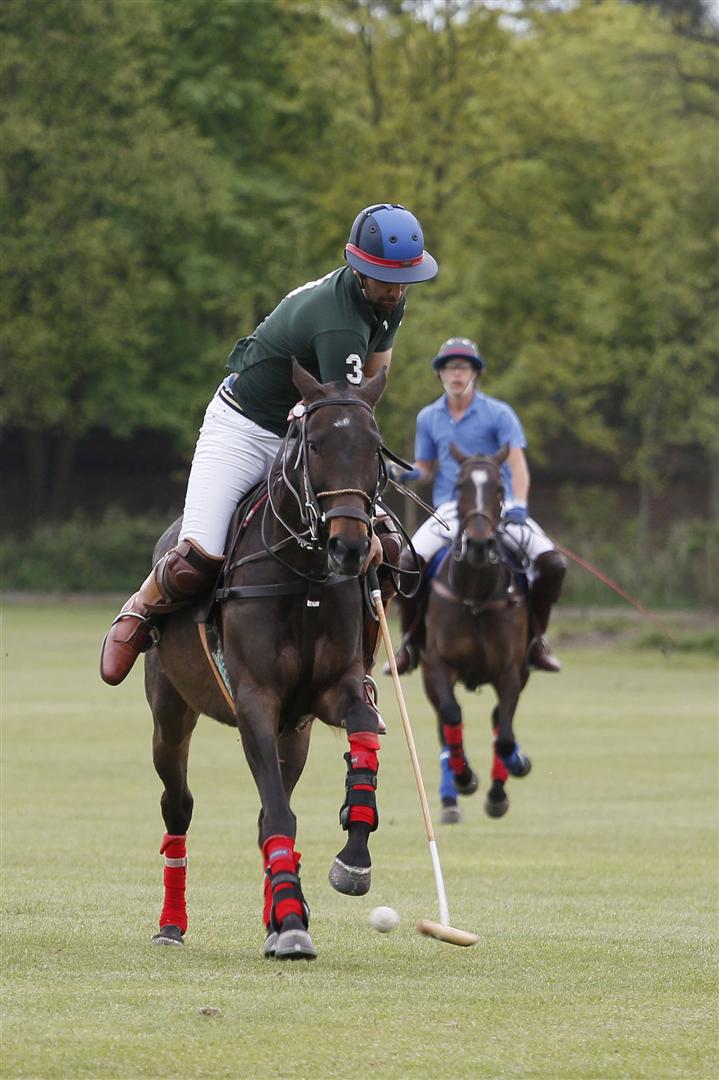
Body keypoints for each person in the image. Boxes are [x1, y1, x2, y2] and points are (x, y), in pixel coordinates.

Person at [100, 203, 438, 686]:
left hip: (310, 435)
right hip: (244, 428)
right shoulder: (339, 322)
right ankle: (139, 611)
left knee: (381, 545)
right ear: (358, 269)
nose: (398, 289)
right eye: (387, 278)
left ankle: (354, 674)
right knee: (197, 557)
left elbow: (365, 397)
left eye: (405, 279)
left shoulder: (388, 301)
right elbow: (342, 405)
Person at [387, 336, 566, 675]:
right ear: (441, 374)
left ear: (475, 373)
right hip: (452, 510)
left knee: (553, 564)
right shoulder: (428, 417)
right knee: (407, 563)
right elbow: (425, 468)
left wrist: (519, 504)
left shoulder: (499, 413)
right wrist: (398, 471)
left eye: (463, 367)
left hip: (501, 508)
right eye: (449, 368)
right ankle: (410, 642)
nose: (456, 374)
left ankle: (535, 640)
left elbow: (517, 465)